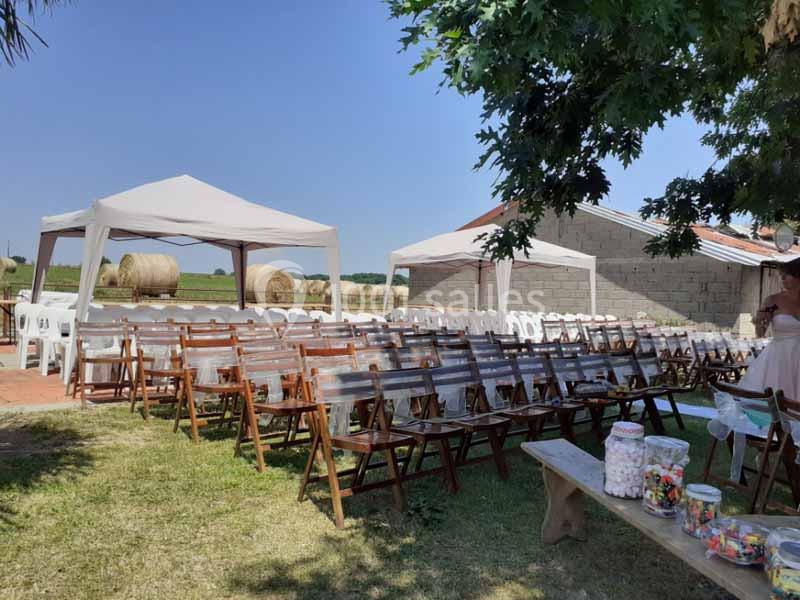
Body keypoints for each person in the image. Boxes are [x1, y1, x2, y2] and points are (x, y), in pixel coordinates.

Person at [741, 257, 800, 400]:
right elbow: (760, 333)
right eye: (782, 275)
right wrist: (758, 322)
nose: (783, 278)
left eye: (788, 274)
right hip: (780, 357)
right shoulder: (772, 301)